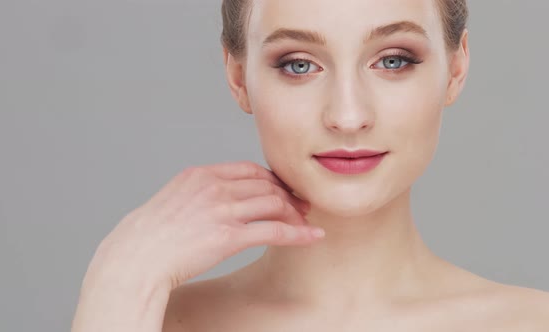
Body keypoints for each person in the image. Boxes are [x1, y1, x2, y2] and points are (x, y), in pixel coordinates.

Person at [71, 0, 549, 331]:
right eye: (299, 64)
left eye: (393, 60)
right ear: (238, 77)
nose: (347, 116)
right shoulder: (145, 317)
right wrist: (118, 278)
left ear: (456, 69)